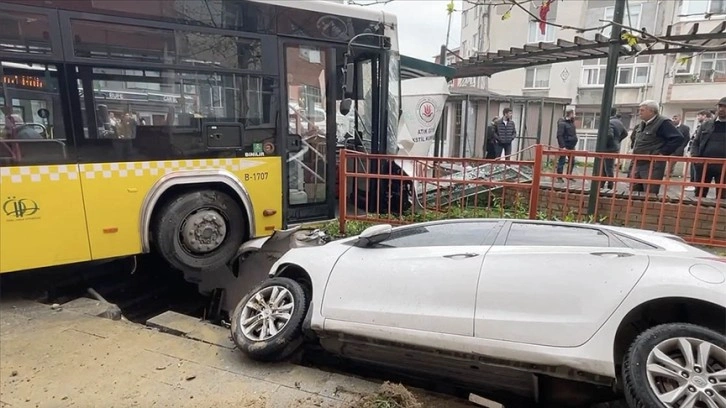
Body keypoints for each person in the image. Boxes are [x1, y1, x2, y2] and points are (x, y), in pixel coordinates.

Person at [630, 100, 683, 196]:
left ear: (651, 111)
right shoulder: (642, 124)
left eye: (642, 110)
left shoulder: (663, 123)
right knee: (633, 192)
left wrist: (662, 153)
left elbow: (678, 138)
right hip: (638, 162)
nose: (639, 113)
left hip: (652, 164)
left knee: (650, 193)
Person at [691, 97, 726, 199]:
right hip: (704, 165)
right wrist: (696, 158)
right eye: (720, 106)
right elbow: (695, 142)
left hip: (724, 167)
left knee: (722, 197)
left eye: (725, 107)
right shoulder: (707, 124)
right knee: (699, 194)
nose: (722, 109)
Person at [687, 110, 713, 190]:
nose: (697, 117)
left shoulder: (709, 125)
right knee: (694, 170)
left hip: (705, 156)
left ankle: (694, 185)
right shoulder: (701, 125)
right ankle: (693, 185)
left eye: (699, 115)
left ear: (704, 116)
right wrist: (692, 151)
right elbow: (695, 139)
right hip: (696, 153)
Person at [605, 108, 628, 189]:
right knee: (608, 166)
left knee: (607, 167)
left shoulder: (608, 122)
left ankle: (609, 185)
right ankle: (605, 184)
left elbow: (609, 135)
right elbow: (625, 133)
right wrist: (617, 141)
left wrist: (606, 144)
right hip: (615, 148)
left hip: (608, 149)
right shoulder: (619, 122)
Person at [555, 109, 578, 181]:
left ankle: (569, 175)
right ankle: (559, 177)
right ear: (570, 114)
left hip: (571, 145)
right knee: (562, 160)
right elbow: (559, 135)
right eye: (573, 114)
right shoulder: (562, 123)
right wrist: (562, 146)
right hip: (565, 145)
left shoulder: (571, 122)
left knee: (572, 161)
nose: (574, 115)